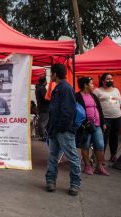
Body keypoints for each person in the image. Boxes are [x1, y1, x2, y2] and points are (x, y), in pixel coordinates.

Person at [45, 63, 81, 196]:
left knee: (72, 157)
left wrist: (59, 128)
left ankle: (75, 184)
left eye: (51, 73)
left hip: (63, 130)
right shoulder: (59, 88)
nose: (50, 76)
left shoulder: (65, 88)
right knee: (53, 156)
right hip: (56, 129)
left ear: (55, 74)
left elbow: (67, 112)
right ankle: (50, 180)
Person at [75, 77, 110, 176]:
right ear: (85, 85)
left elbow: (99, 110)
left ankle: (99, 167)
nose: (93, 85)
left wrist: (103, 122)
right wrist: (84, 123)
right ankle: (87, 166)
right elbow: (77, 112)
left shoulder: (93, 96)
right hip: (85, 126)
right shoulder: (77, 96)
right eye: (91, 83)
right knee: (85, 145)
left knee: (100, 145)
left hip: (97, 125)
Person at [94, 73, 121, 163]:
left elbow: (118, 101)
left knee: (114, 137)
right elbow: (94, 104)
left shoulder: (116, 90)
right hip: (105, 118)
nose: (110, 80)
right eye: (108, 79)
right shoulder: (98, 91)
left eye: (111, 79)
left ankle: (113, 155)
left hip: (117, 116)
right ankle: (100, 158)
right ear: (103, 81)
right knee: (104, 138)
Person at [35, 76, 50, 141]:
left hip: (40, 107)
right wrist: (50, 98)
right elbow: (45, 98)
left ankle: (42, 136)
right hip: (44, 108)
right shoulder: (42, 89)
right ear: (45, 82)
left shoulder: (37, 88)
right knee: (44, 122)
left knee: (41, 122)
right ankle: (43, 136)